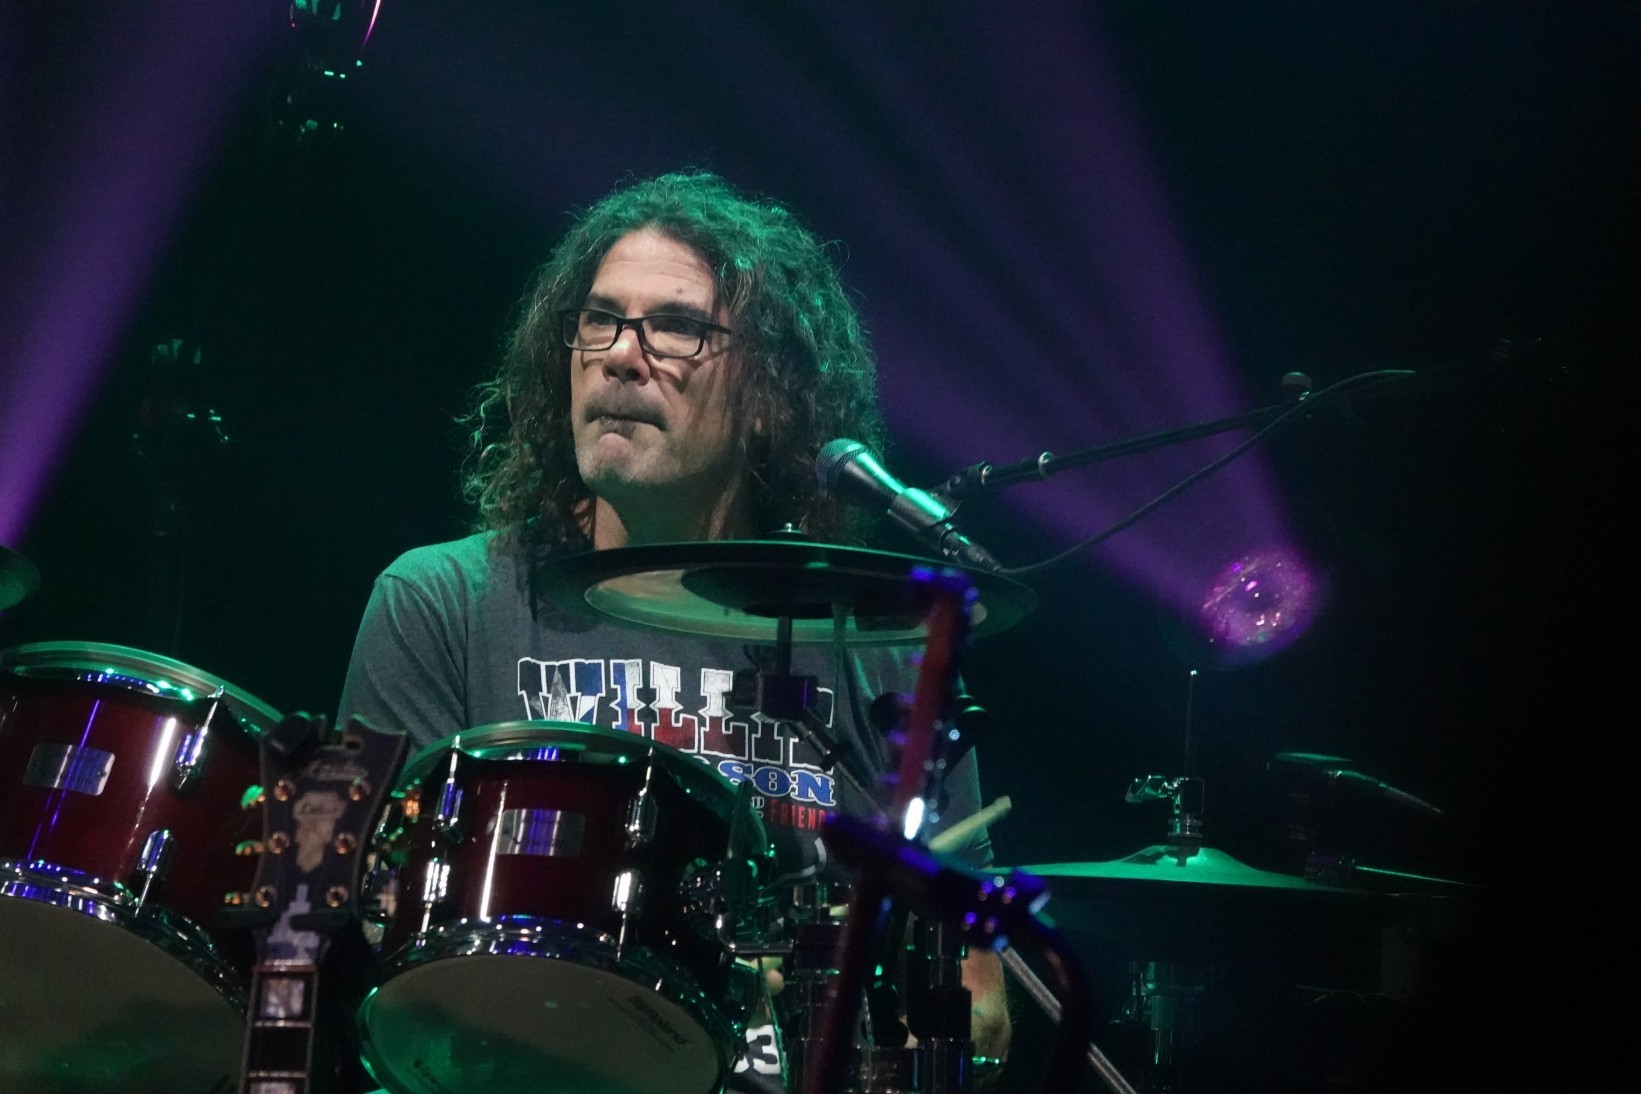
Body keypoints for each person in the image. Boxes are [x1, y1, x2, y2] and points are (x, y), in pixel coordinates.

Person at [338, 170, 1009, 1090]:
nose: (622, 356)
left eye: (677, 328)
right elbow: (377, 916)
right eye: (600, 320)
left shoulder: (880, 638)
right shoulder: (443, 601)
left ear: (770, 392)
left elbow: (977, 996)